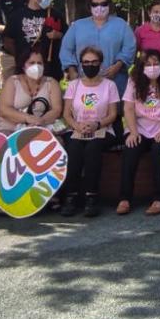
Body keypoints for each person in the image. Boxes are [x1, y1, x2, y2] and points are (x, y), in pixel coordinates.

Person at [59, 46, 120, 218]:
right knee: (74, 149)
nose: (90, 65)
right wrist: (77, 126)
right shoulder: (73, 85)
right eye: (86, 62)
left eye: (94, 62)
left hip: (102, 128)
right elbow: (66, 114)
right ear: (81, 64)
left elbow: (113, 114)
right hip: (78, 128)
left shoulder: (110, 85)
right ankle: (71, 196)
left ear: (100, 63)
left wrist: (96, 124)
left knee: (93, 149)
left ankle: (91, 196)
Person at [121, 49, 160, 217]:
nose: (152, 67)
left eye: (156, 64)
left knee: (159, 150)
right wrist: (133, 132)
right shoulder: (133, 81)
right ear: (141, 67)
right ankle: (124, 198)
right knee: (130, 150)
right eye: (147, 64)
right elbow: (128, 108)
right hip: (139, 127)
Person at [60, 0, 136, 95]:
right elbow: (66, 49)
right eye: (95, 4)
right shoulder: (77, 26)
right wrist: (72, 70)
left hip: (115, 78)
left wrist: (117, 66)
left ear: (109, 5)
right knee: (85, 104)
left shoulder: (121, 25)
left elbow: (130, 47)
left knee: (115, 105)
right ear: (89, 6)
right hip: (84, 78)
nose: (99, 7)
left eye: (103, 4)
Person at [3, 0, 65, 80]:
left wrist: (58, 35)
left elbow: (67, 35)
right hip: (25, 67)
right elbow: (8, 40)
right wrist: (20, 56)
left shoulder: (55, 14)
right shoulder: (16, 15)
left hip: (50, 67)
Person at [0, 49, 64, 133]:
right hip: (9, 129)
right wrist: (28, 118)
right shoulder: (12, 82)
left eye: (39, 63)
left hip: (41, 129)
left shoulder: (51, 83)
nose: (36, 66)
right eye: (32, 63)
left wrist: (40, 121)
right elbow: (4, 110)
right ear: (23, 66)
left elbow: (56, 110)